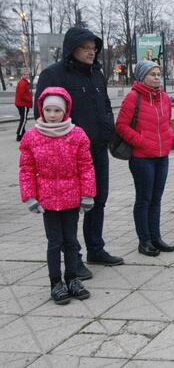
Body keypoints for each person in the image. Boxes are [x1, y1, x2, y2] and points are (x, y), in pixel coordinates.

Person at [35, 27, 123, 279]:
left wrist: (109, 127)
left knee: (98, 200)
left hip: (97, 149)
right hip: (68, 154)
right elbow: (42, 113)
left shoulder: (97, 74)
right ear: (72, 48)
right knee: (72, 207)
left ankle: (96, 248)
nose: (91, 52)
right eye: (86, 47)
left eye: (93, 48)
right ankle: (74, 259)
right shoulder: (54, 75)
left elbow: (105, 105)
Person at [19, 88, 95, 304]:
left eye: (57, 110)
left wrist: (88, 194)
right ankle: (56, 283)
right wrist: (30, 197)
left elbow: (86, 166)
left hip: (71, 196)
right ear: (41, 110)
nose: (52, 115)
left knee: (71, 241)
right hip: (48, 199)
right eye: (48, 110)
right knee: (55, 242)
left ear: (66, 111)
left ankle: (72, 278)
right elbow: (26, 169)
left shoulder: (77, 134)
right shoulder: (32, 137)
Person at [116, 60, 174, 256]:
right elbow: (121, 126)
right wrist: (141, 141)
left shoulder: (165, 98)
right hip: (142, 158)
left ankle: (156, 237)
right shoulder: (134, 97)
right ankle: (144, 241)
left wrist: (169, 138)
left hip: (162, 156)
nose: (157, 77)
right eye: (152, 74)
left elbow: (168, 122)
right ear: (143, 77)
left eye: (159, 74)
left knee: (156, 199)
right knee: (144, 199)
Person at [15, 67, 33, 141]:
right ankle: (19, 135)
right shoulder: (23, 83)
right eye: (25, 74)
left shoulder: (23, 82)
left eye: (27, 74)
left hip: (21, 103)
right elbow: (22, 94)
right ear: (22, 74)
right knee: (23, 120)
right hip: (23, 104)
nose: (27, 75)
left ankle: (23, 133)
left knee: (23, 119)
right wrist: (29, 99)